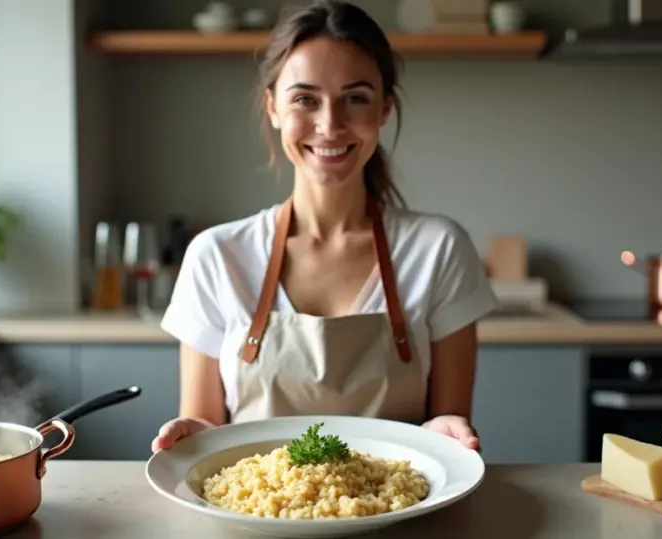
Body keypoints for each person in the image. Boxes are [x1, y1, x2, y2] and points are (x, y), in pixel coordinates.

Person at [151, 0, 498, 454]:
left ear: (384, 109)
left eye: (355, 98)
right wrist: (191, 434)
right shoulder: (217, 256)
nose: (330, 125)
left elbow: (448, 433)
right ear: (272, 107)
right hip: (254, 522)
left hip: (399, 518)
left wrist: (449, 434)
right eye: (305, 99)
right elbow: (205, 432)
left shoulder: (439, 250)